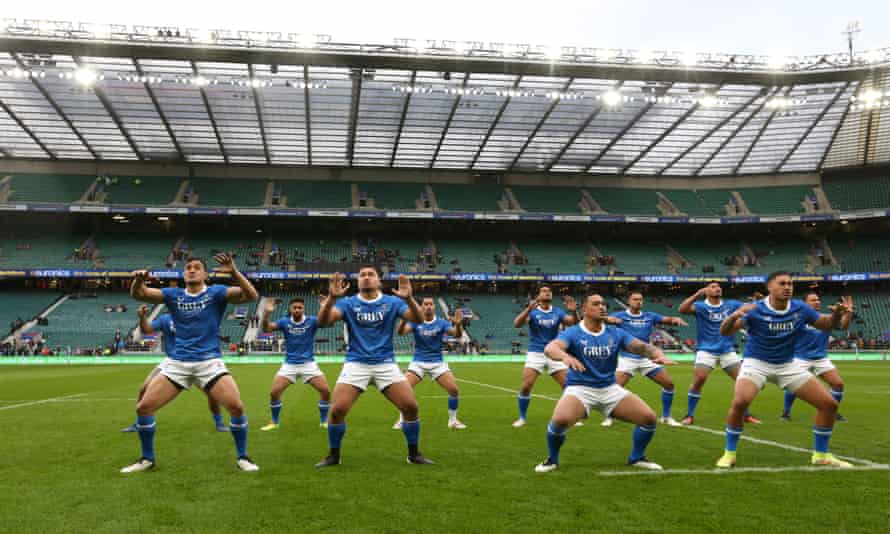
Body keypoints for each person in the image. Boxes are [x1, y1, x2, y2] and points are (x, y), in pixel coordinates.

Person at [121, 253, 260, 473]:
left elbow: (251, 295)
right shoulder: (173, 294)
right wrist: (138, 280)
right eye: (188, 267)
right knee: (144, 407)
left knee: (236, 406)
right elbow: (140, 294)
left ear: (205, 274)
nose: (192, 270)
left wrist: (233, 272)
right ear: (184, 273)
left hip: (209, 361)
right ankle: (147, 459)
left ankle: (243, 457)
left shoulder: (216, 293)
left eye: (196, 267)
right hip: (178, 363)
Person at [716, 271, 854, 468]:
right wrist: (734, 316)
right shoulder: (755, 309)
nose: (787, 287)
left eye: (790, 283)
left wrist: (836, 315)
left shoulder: (800, 308)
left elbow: (825, 324)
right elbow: (725, 331)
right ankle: (729, 454)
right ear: (769, 287)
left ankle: (821, 455)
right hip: (757, 363)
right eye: (782, 283)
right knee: (740, 402)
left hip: (787, 364)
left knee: (829, 405)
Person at [534, 294, 672, 473]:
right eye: (596, 304)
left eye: (603, 304)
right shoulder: (574, 332)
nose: (602, 307)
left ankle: (636, 457)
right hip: (580, 389)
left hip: (609, 388)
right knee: (560, 420)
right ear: (584, 309)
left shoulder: (615, 332)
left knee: (649, 419)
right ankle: (552, 459)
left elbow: (641, 347)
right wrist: (565, 356)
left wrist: (656, 354)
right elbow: (550, 348)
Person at [314, 266, 433, 468]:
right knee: (337, 411)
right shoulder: (348, 303)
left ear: (379, 281)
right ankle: (334, 455)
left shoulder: (392, 302)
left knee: (411, 407)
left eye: (371, 275)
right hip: (356, 363)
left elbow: (419, 320)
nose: (366, 278)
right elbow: (323, 322)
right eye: (362, 275)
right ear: (358, 281)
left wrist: (410, 299)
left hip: (385, 363)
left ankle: (414, 454)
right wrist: (332, 300)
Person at [121, 305, 228, 433]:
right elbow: (146, 330)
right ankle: (140, 422)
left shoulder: (197, 318)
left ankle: (219, 422)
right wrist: (142, 317)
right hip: (173, 361)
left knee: (212, 395)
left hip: (198, 361)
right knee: (144, 388)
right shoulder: (165, 319)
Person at [677, 283, 761, 425]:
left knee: (743, 382)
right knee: (700, 379)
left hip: (727, 350)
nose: (718, 288)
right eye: (713, 286)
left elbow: (749, 307)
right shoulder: (701, 306)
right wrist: (697, 294)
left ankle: (745, 415)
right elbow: (682, 309)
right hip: (706, 350)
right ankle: (689, 415)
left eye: (719, 286)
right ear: (706, 291)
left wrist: (759, 302)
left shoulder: (731, 304)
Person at [602, 291, 687, 427]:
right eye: (635, 299)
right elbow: (601, 319)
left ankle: (666, 417)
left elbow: (666, 319)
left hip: (647, 358)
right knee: (614, 388)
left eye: (640, 299)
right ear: (629, 301)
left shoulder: (649, 316)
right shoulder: (620, 316)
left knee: (669, 384)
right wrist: (607, 319)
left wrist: (674, 319)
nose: (638, 302)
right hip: (627, 358)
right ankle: (610, 417)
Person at [392, 297, 466, 430]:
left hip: (437, 363)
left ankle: (453, 421)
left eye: (431, 304)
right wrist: (405, 319)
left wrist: (459, 324)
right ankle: (402, 419)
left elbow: (457, 335)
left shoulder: (442, 323)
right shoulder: (415, 322)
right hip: (418, 362)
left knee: (454, 390)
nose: (428, 306)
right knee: (404, 390)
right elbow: (400, 333)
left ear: (434, 307)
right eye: (425, 304)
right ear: (421, 307)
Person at [259, 297, 331, 431]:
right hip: (289, 364)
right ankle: (274, 422)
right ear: (290, 309)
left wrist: (325, 307)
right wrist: (267, 313)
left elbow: (326, 322)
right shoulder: (284, 322)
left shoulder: (312, 321)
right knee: (274, 393)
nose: (297, 310)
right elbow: (266, 329)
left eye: (300, 307)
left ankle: (324, 421)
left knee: (325, 391)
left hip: (308, 364)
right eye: (295, 307)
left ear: (304, 309)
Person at [511, 286, 579, 427]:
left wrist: (573, 311)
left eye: (549, 291)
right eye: (543, 291)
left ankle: (570, 416)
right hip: (536, 352)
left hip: (554, 351)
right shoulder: (533, 312)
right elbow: (517, 324)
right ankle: (522, 418)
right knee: (526, 386)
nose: (547, 292)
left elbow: (574, 322)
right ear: (538, 295)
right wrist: (528, 309)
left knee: (569, 386)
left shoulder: (558, 312)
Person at [781, 292, 851, 422]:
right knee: (793, 385)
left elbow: (843, 326)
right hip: (800, 357)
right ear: (805, 304)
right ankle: (786, 412)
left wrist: (848, 313)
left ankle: (832, 412)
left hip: (820, 358)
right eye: (813, 300)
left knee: (838, 384)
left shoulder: (826, 318)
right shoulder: (798, 318)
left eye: (818, 299)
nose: (817, 302)